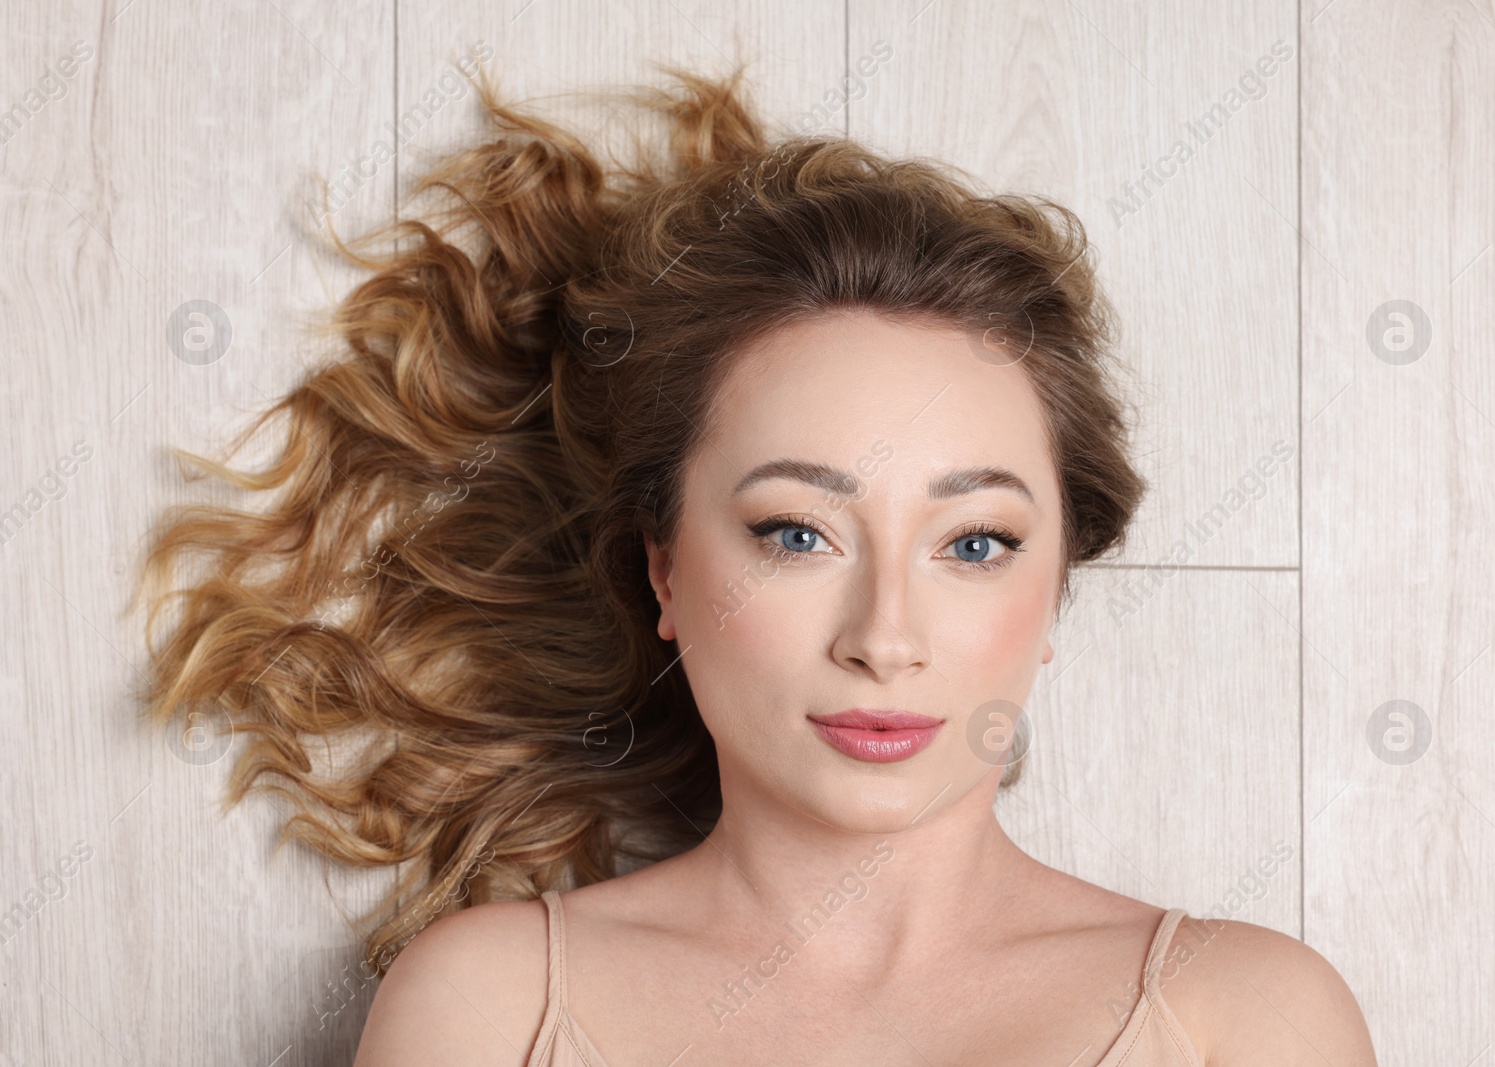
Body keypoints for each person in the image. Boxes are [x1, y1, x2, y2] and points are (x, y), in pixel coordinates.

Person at [135, 64, 1377, 1066]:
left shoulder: (1244, 1020)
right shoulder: (489, 1009)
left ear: (1052, 591)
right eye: (798, 533)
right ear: (665, 573)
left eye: (975, 543)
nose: (883, 634)